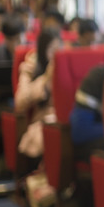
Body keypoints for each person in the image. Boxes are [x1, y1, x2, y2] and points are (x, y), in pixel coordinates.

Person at [14, 26, 63, 160]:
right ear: (42, 50)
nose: (55, 54)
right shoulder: (31, 66)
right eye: (52, 50)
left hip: (63, 119)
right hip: (43, 120)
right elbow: (20, 102)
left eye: (59, 48)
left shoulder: (66, 65)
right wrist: (45, 79)